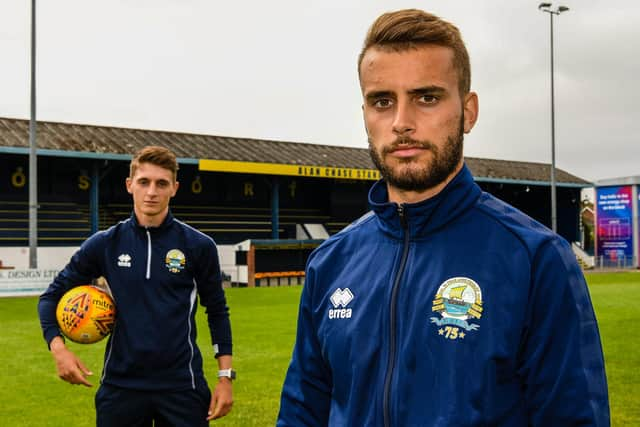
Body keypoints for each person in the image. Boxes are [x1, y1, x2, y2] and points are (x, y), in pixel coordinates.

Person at [277, 9, 609, 427]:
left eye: (426, 98)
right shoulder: (331, 262)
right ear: (365, 114)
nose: (402, 123)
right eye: (383, 101)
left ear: (468, 112)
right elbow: (301, 414)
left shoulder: (535, 259)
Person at [39, 146, 235, 426]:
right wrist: (59, 350)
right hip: (121, 387)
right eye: (144, 182)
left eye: (161, 183)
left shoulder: (198, 246)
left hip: (182, 385)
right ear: (129, 185)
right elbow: (50, 298)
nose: (152, 192)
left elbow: (217, 311)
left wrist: (225, 377)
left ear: (175, 188)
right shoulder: (105, 244)